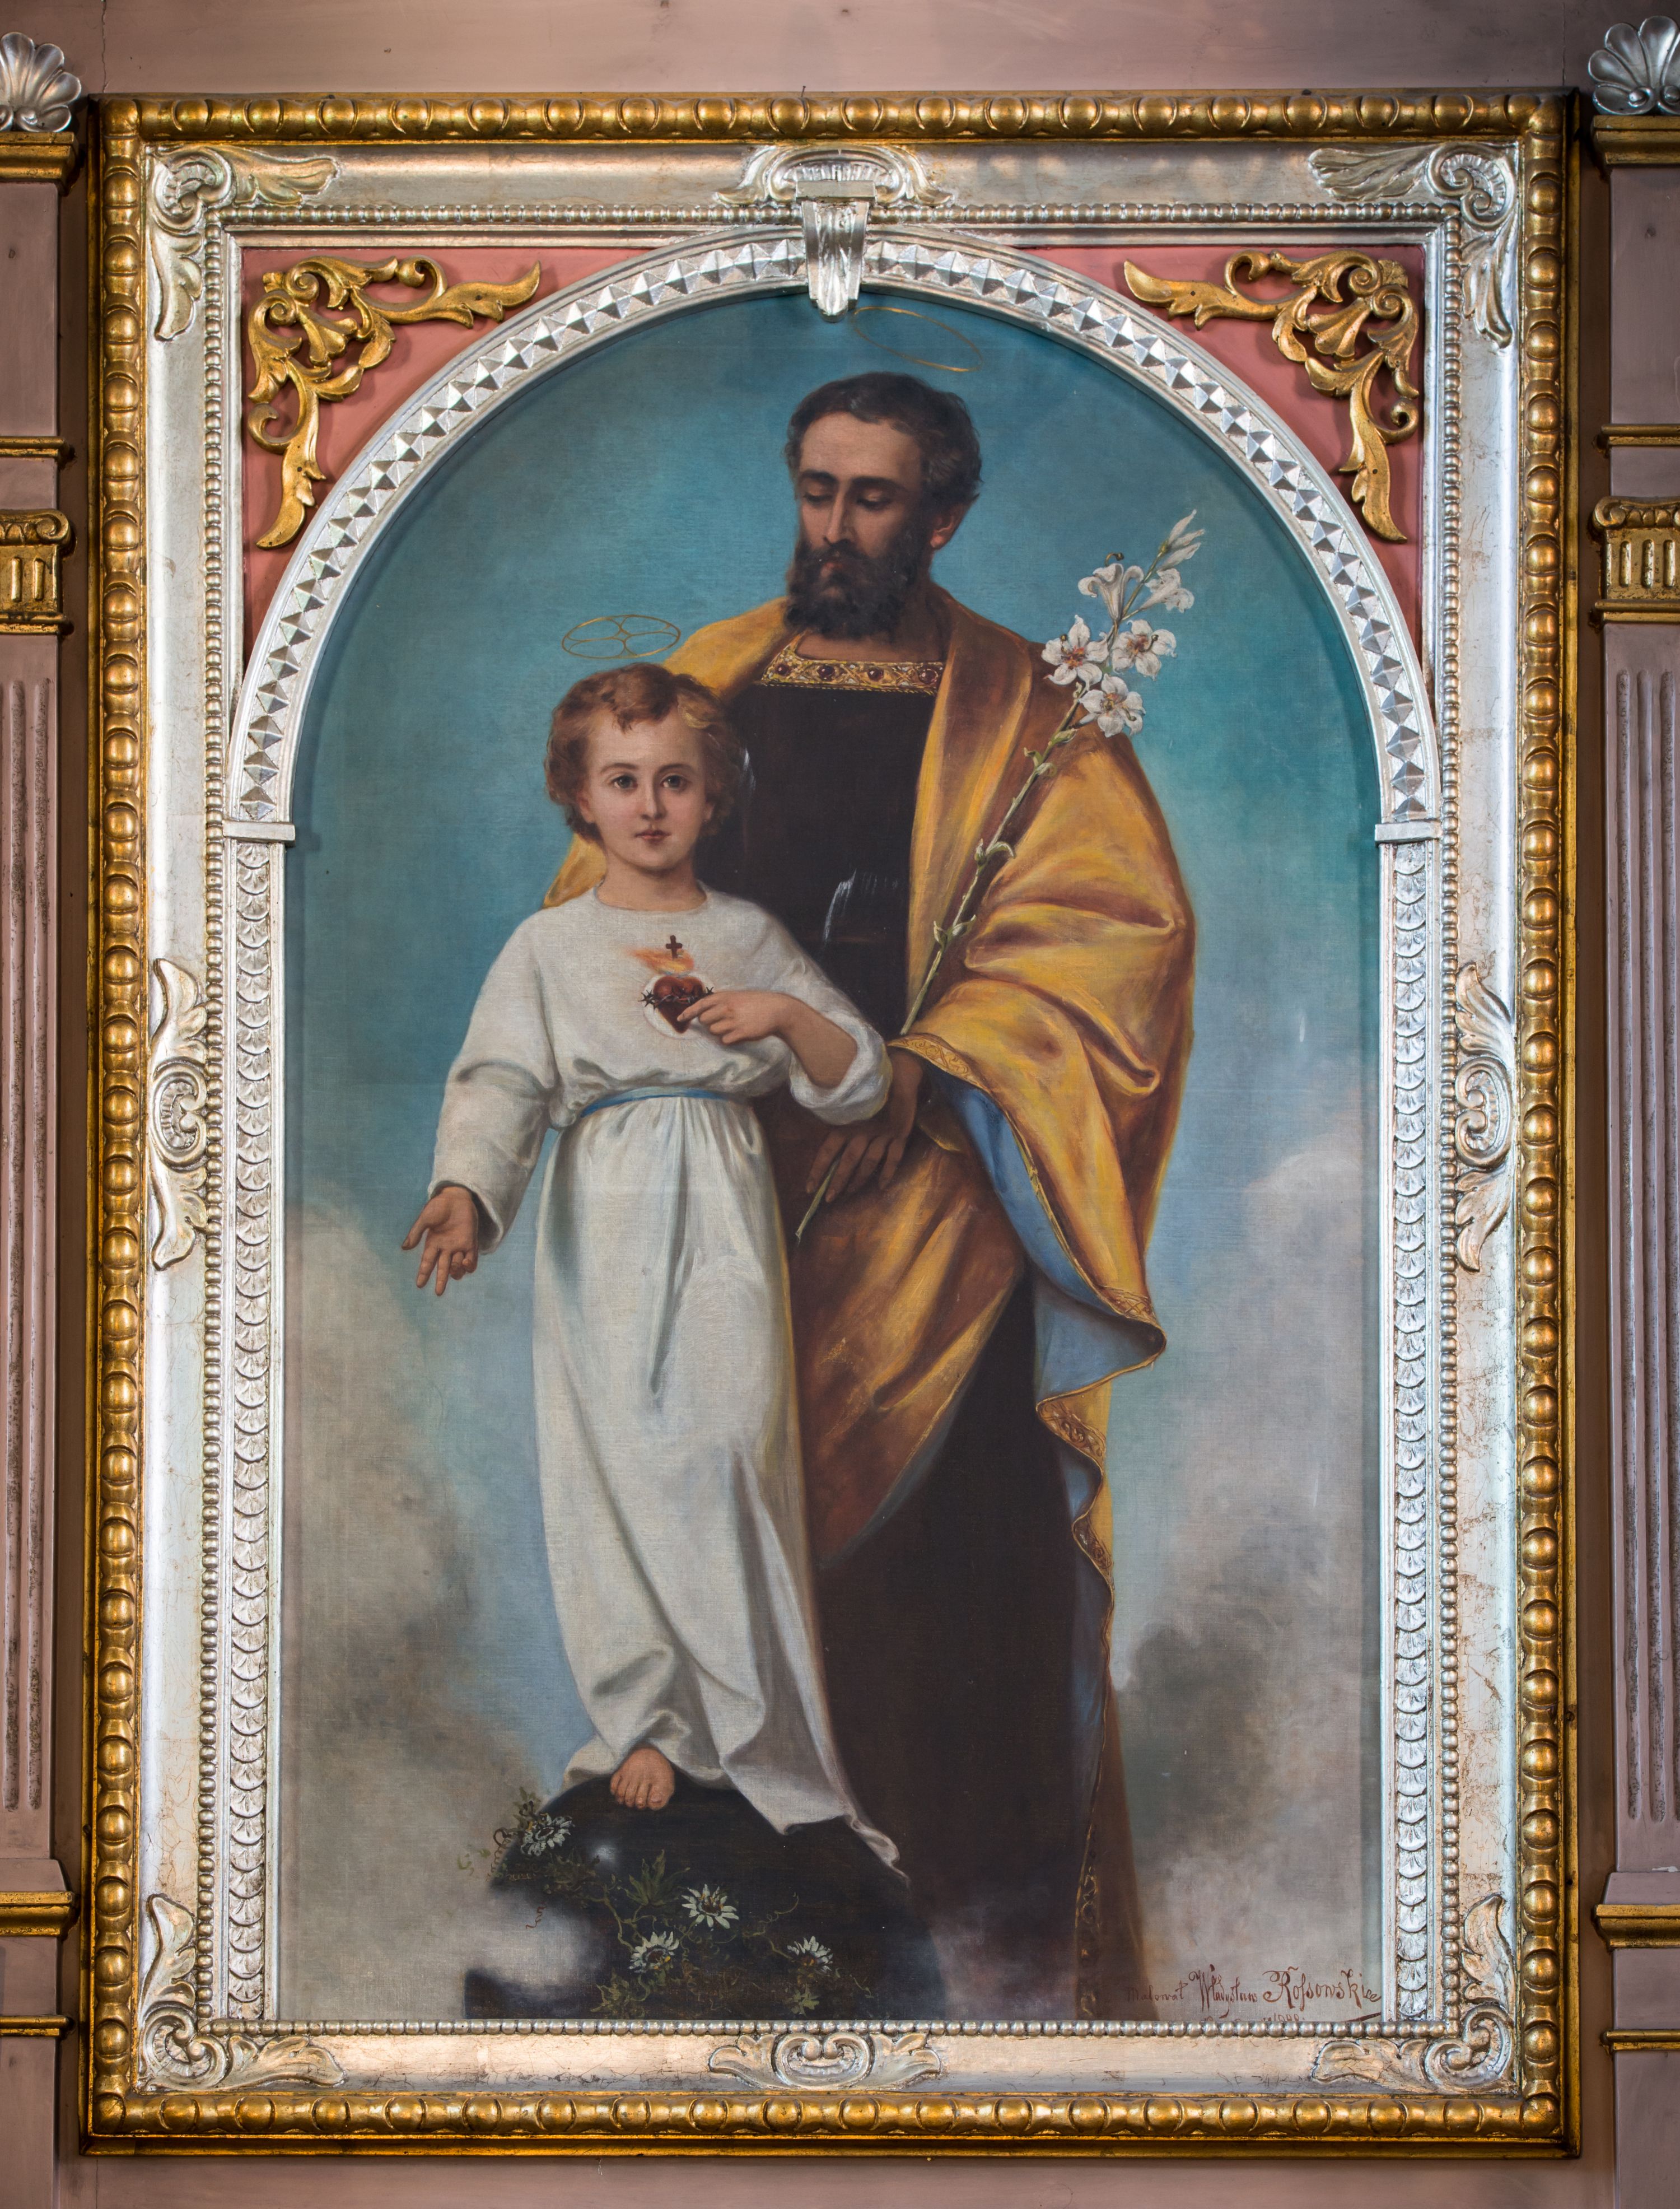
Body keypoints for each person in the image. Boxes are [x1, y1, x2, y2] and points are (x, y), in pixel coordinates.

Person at [544, 374, 1195, 2018]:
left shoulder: (1035, 719)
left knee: (951, 1605)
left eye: (876, 498)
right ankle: (755, 1971)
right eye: (818, 490)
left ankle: (980, 1989)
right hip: (727, 1221)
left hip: (941, 1249)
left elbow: (1109, 960)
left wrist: (922, 1072)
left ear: (945, 517)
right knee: (722, 1560)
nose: (835, 527)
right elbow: (592, 927)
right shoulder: (707, 680)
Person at [403, 663, 895, 1867]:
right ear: (580, 797)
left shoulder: (748, 935)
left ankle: (748, 1728)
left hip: (723, 1202)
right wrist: (466, 1188)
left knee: (722, 1449)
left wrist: (781, 1017)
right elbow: (502, 1080)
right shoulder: (549, 945)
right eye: (622, 780)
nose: (651, 804)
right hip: (605, 1213)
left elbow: (858, 1081)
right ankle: (653, 1724)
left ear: (713, 796)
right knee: (613, 1460)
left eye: (676, 780)